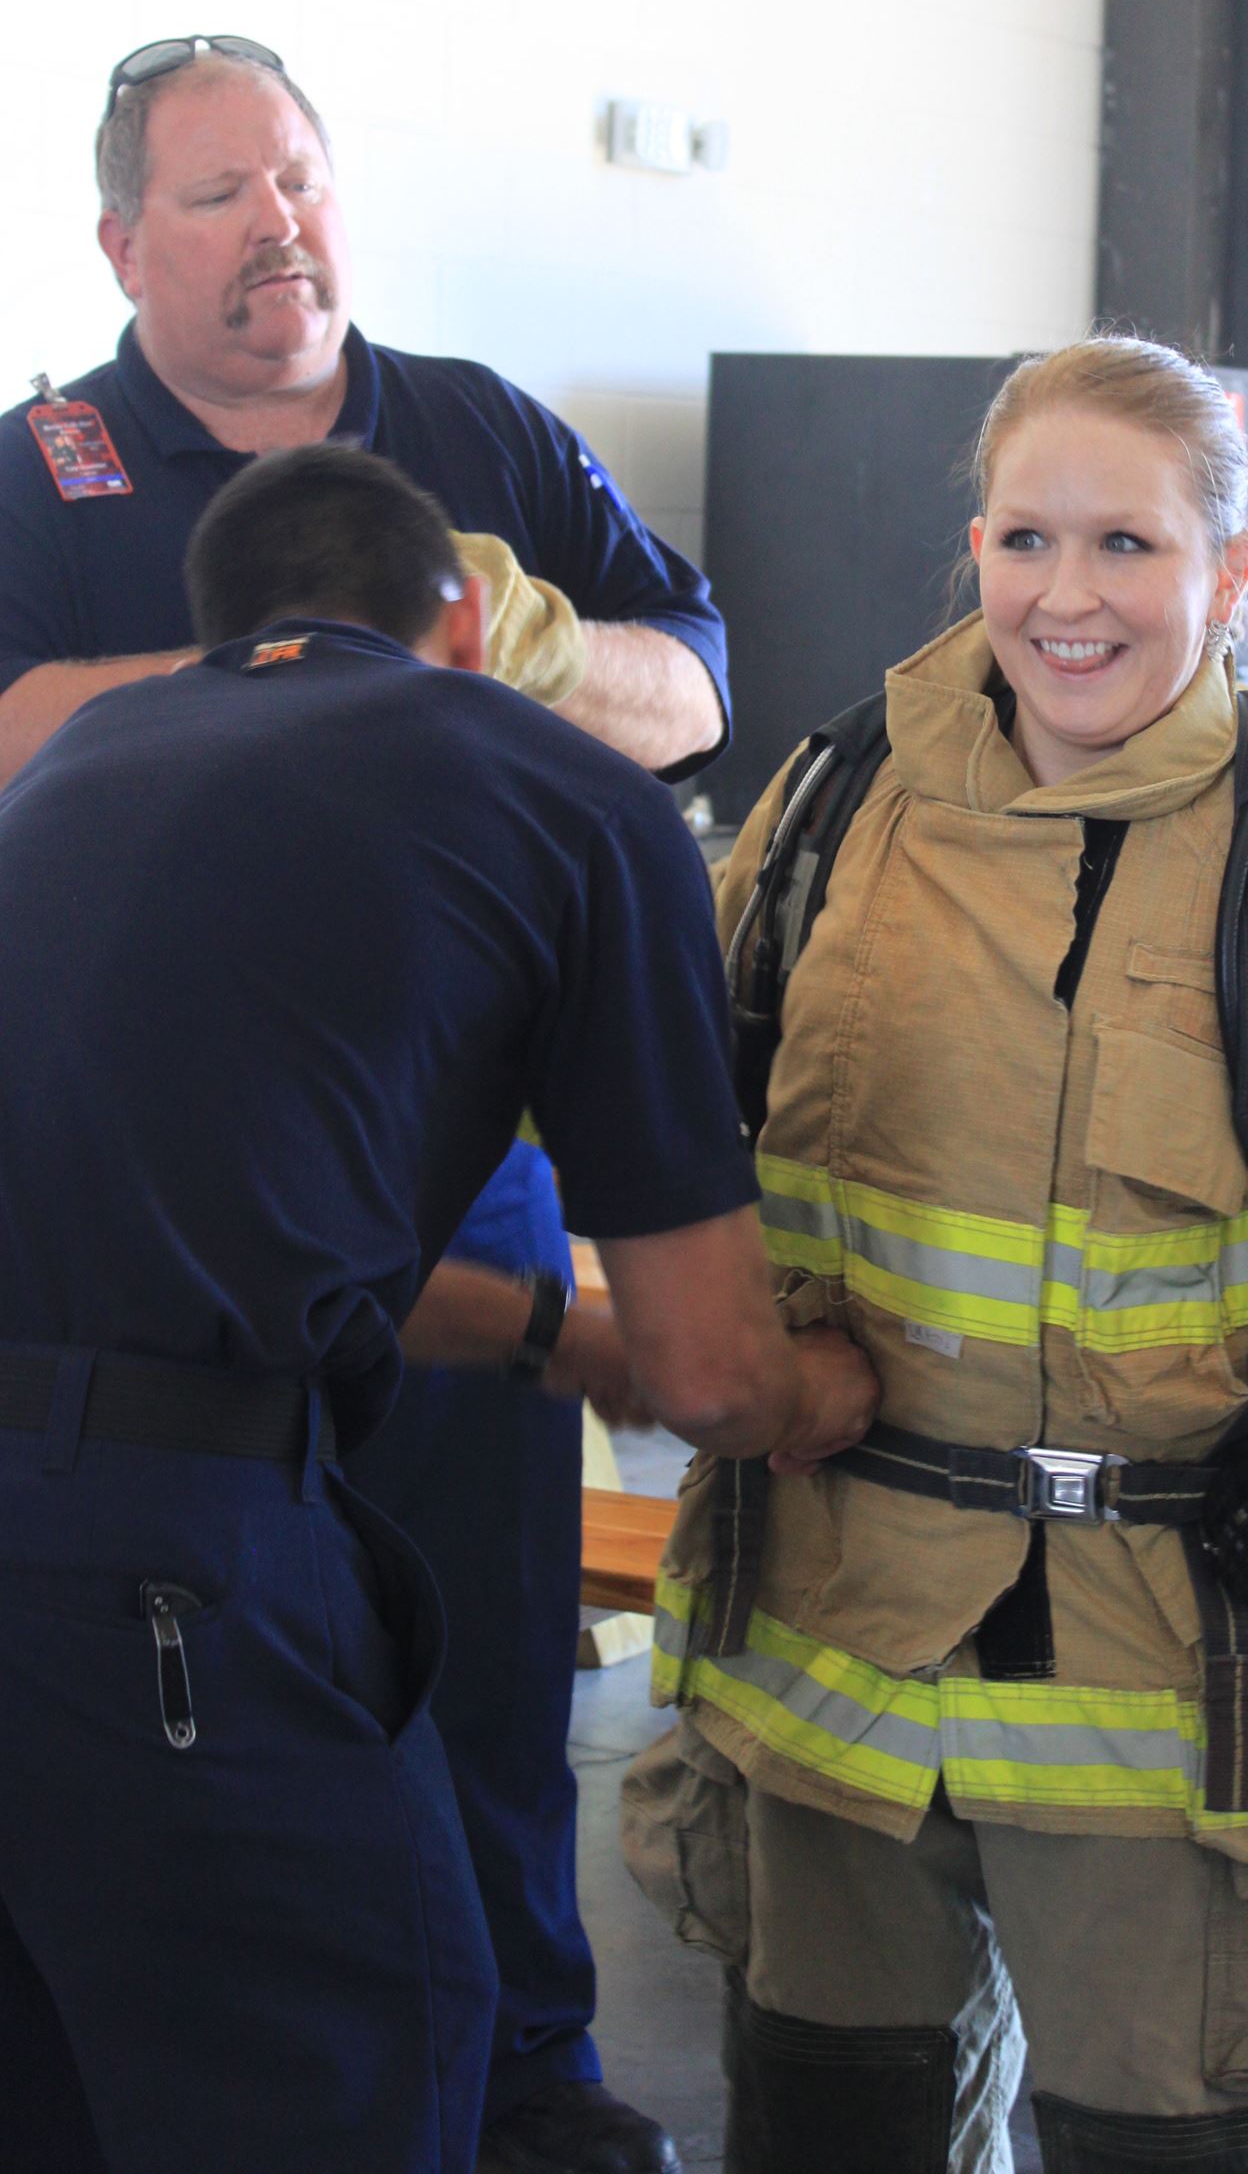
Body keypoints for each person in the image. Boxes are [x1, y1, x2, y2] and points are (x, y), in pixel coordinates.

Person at [630, 339, 1248, 2174]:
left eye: (1128, 547)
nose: (1067, 597)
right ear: (975, 548)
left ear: (1229, 580)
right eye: (1028, 540)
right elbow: (650, 1093)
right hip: (827, 1651)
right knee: (826, 2125)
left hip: (1171, 1694)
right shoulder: (830, 812)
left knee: (1174, 2142)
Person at [0, 34, 728, 2174]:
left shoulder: (482, 426)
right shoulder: (51, 473)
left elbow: (687, 685)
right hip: (134, 1208)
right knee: (171, 1666)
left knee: (489, 1639)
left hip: (452, 1165)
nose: (276, 229)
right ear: (125, 237)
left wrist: (525, 652)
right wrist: (330, 677)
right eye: (219, 196)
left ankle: (519, 2059)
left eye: (300, 180)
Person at [0, 443, 878, 2174]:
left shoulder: (82, 766)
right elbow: (714, 1373)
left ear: (215, 636)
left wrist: (565, 1342)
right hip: (185, 1565)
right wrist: (814, 1391)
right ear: (472, 618)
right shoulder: (572, 795)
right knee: (367, 2064)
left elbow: (248, 1225)